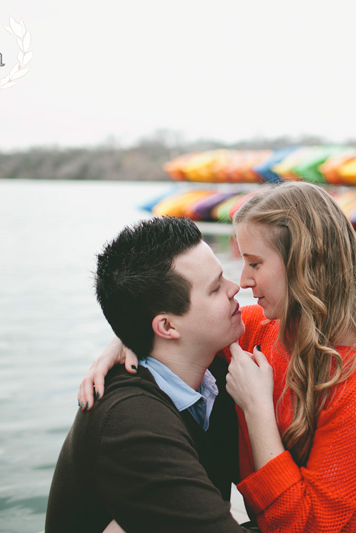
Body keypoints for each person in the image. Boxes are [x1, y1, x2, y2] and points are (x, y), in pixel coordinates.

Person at [79, 181, 356, 532]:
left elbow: (309, 526)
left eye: (254, 263)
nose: (243, 281)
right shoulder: (262, 330)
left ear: (305, 264)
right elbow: (179, 328)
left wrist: (257, 408)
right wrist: (127, 338)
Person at [47, 216, 251, 532]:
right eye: (215, 288)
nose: (235, 287)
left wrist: (126, 335)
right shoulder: (131, 423)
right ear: (167, 327)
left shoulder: (216, 369)